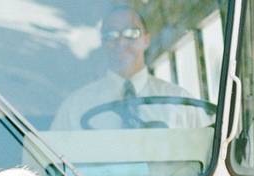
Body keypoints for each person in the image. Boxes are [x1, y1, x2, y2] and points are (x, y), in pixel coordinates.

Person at [51, 5, 211, 131]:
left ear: (146, 39)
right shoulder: (74, 108)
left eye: (131, 33)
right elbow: (52, 165)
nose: (121, 42)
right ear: (102, 43)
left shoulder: (182, 105)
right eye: (111, 35)